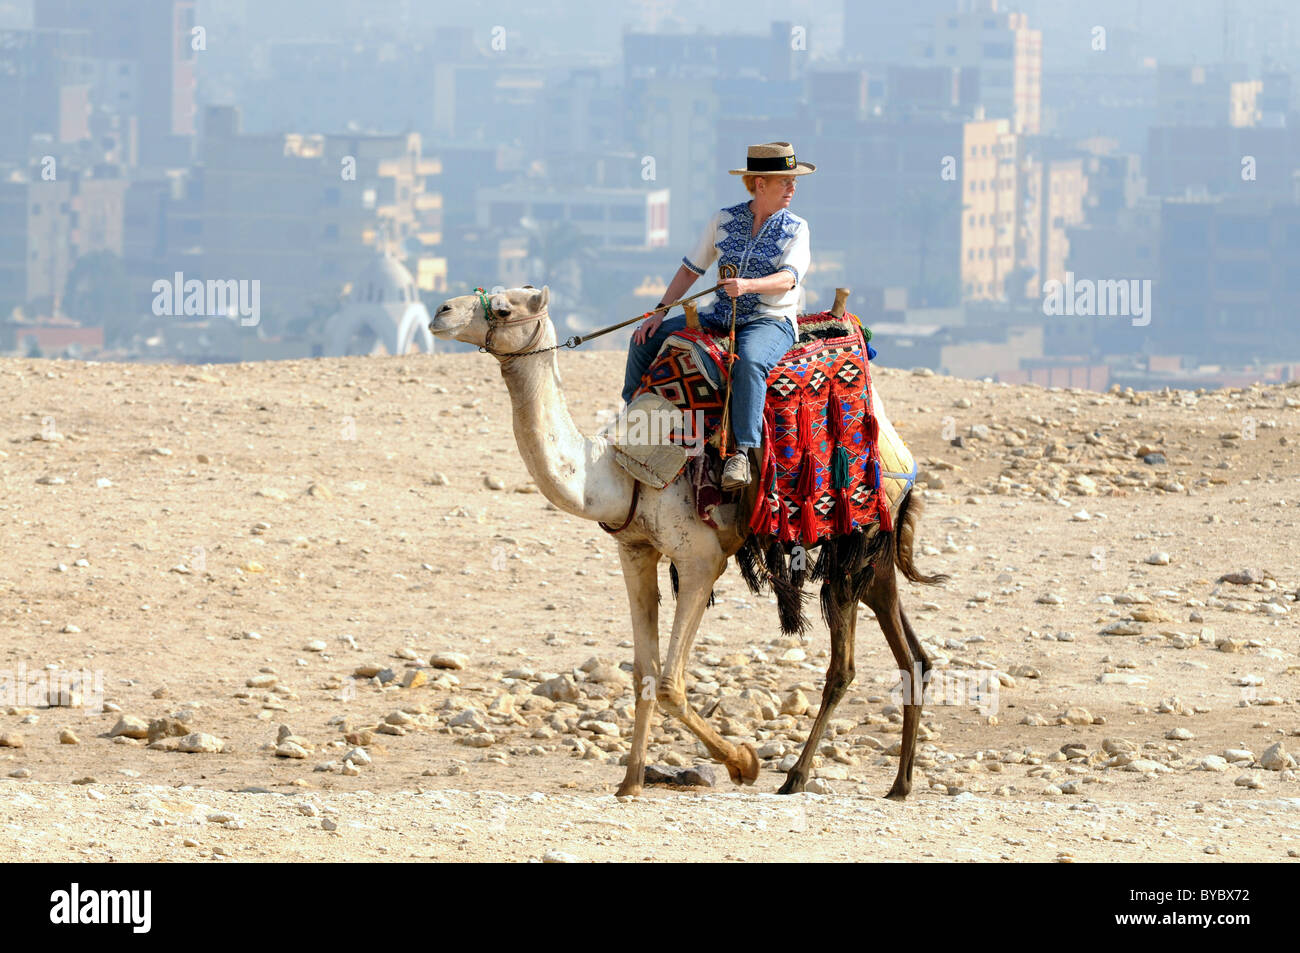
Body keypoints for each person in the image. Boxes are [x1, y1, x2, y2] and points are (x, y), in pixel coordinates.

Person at [621, 141, 814, 490]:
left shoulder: (797, 228)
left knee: (750, 363)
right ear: (760, 183)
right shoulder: (723, 219)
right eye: (785, 180)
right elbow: (690, 270)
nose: (792, 187)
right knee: (644, 340)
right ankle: (631, 420)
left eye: (793, 180)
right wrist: (658, 313)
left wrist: (749, 286)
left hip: (769, 321)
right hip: (719, 317)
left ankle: (741, 453)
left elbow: (789, 279)